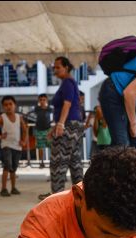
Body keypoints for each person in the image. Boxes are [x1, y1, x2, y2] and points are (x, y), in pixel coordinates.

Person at [38, 57, 84, 201]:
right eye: (54, 67)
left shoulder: (68, 83)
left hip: (69, 125)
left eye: (58, 67)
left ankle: (56, 196)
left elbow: (67, 104)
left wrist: (60, 124)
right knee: (74, 161)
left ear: (66, 67)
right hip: (73, 124)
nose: (55, 70)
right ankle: (83, 195)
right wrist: (58, 124)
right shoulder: (68, 83)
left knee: (58, 161)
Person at [0, 95, 27, 197]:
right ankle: (3, 188)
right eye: (5, 105)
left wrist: (23, 141)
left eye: (10, 104)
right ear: (3, 107)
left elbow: (25, 129)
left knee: (13, 168)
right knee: (7, 166)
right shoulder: (2, 117)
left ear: (15, 105)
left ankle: (13, 188)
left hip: (17, 146)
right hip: (6, 145)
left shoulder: (19, 117)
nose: (8, 106)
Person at [33, 94, 52, 168]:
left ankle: (52, 161)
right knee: (40, 147)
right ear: (39, 101)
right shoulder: (36, 109)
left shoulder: (49, 109)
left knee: (51, 146)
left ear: (46, 100)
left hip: (48, 130)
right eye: (41, 100)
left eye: (44, 100)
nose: (42, 101)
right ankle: (41, 162)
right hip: (39, 130)